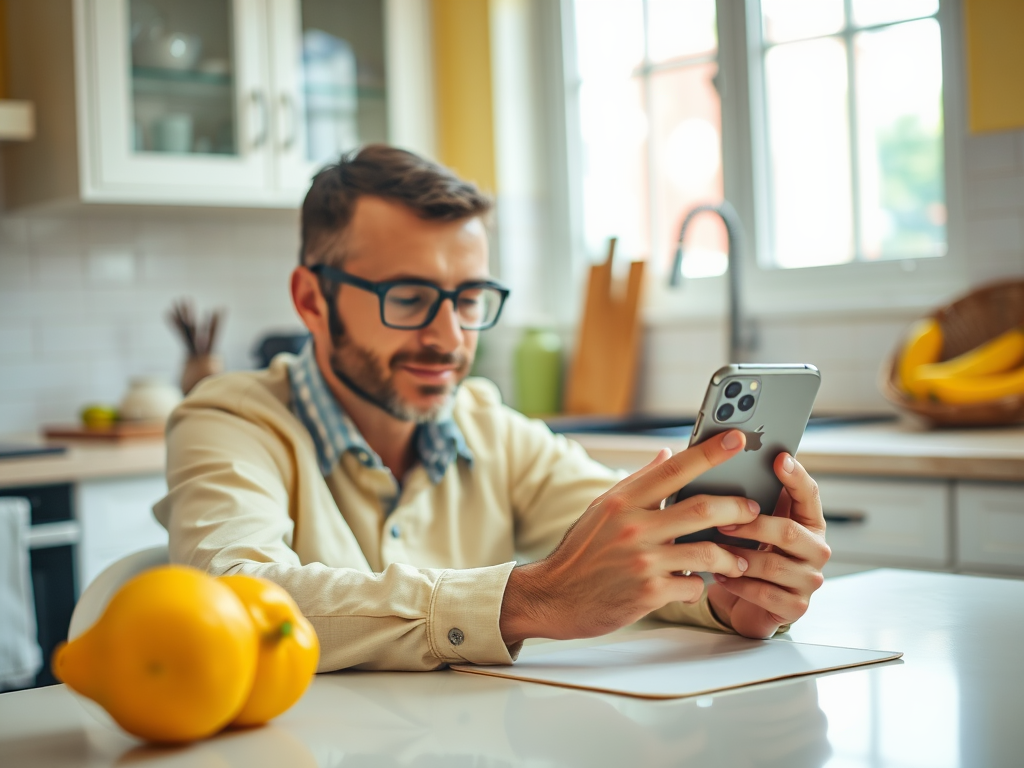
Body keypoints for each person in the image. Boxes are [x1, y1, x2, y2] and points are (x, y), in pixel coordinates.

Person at [154, 145, 830, 671]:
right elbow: (238, 595)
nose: (450, 338)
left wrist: (723, 594)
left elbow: (618, 554)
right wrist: (530, 600)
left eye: (470, 299)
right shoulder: (230, 421)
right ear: (311, 300)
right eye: (410, 298)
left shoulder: (490, 427)